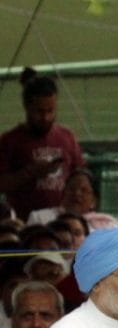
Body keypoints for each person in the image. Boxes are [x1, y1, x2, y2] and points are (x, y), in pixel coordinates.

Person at [0, 69, 85, 220]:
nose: (45, 117)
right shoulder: (10, 141)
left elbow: (79, 175)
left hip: (62, 223)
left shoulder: (67, 137)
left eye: (50, 111)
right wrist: (30, 172)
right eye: (39, 112)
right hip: (24, 222)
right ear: (27, 107)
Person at [26, 169, 118, 230]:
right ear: (63, 194)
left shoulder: (109, 226)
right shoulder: (40, 218)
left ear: (93, 201)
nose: (77, 194)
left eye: (84, 190)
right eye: (71, 188)